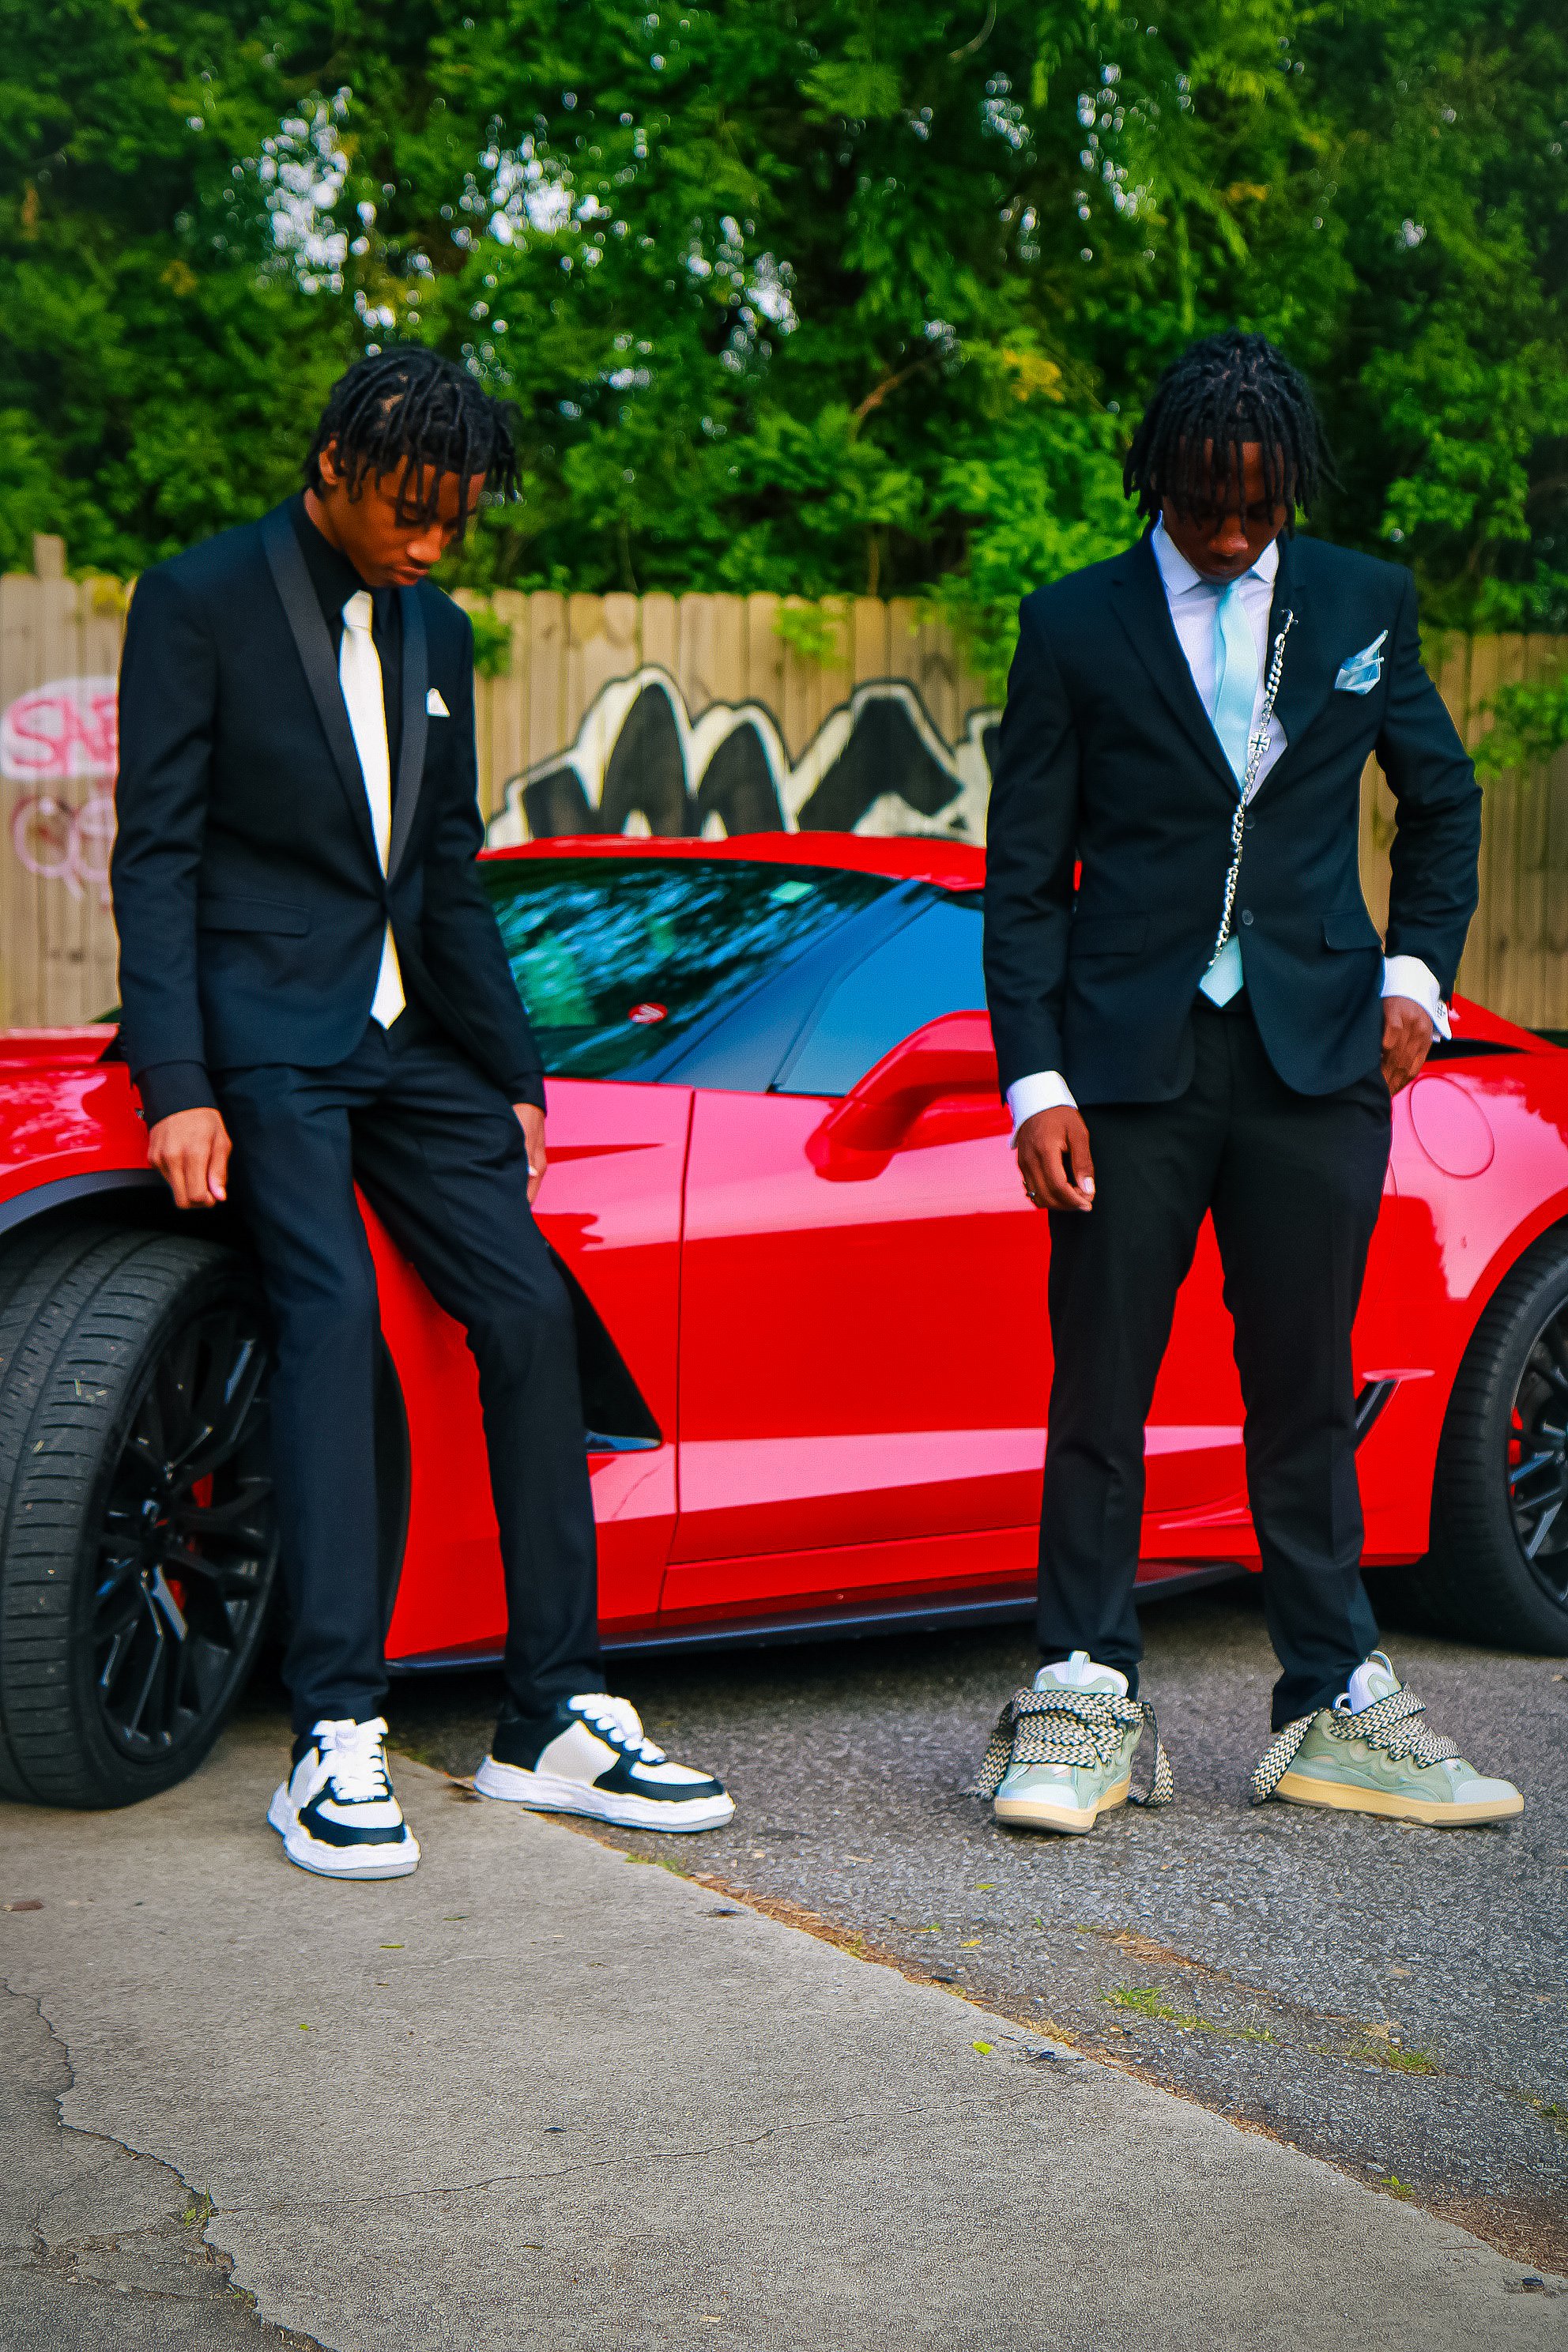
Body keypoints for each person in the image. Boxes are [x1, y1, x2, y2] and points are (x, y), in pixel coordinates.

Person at [112, 348, 733, 1879]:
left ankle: (552, 1710)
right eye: (413, 508)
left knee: (527, 1313)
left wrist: (514, 1070)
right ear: (332, 465)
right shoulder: (193, 602)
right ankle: (334, 1733)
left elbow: (442, 874)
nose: (434, 540)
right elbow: (156, 856)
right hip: (269, 1042)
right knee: (328, 1316)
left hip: (415, 1053)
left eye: (455, 515)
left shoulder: (437, 631)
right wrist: (179, 1084)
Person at [977, 331, 1522, 1834]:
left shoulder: (1360, 600)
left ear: (1290, 487)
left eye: (1259, 508)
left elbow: (1445, 799)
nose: (1231, 535)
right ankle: (1084, 1693)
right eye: (1207, 504)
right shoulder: (1073, 623)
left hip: (1314, 1058)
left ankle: (1333, 1701)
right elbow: (1021, 878)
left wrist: (1414, 981)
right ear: (1159, 476)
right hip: (1125, 1068)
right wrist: (1034, 1083)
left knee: (1302, 1382)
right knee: (1102, 1387)